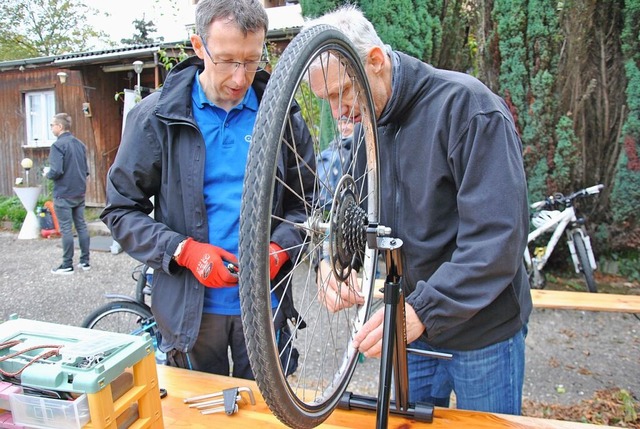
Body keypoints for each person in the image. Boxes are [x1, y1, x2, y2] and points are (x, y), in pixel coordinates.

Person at [306, 6, 532, 415]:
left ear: (375, 61)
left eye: (342, 92)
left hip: (483, 332)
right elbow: (350, 213)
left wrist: (424, 310)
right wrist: (329, 260)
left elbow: (499, 238)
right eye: (327, 100)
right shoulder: (366, 127)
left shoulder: (468, 108)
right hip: (413, 326)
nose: (338, 112)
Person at [101, 0, 314, 379]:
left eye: (251, 61)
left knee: (266, 417)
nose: (239, 77)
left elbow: (306, 205)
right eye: (227, 60)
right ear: (198, 47)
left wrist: (279, 250)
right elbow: (120, 210)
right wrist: (183, 251)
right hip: (191, 313)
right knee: (202, 412)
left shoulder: (282, 116)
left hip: (265, 307)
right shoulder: (156, 118)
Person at [46, 112, 90, 275]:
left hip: (64, 193)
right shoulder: (80, 144)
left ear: (60, 126)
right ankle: (85, 262)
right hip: (79, 191)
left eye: (52, 125)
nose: (51, 128)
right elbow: (85, 170)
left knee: (66, 229)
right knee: (81, 226)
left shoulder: (57, 146)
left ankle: (67, 265)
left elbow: (56, 171)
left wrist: (47, 173)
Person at [316, 116, 354, 209]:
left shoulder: (355, 141)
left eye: (347, 123)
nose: (343, 127)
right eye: (340, 124)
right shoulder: (334, 144)